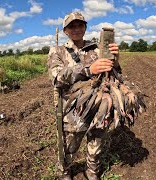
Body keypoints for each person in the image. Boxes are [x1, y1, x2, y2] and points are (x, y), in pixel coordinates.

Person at [47, 12, 120, 180]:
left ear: (85, 27)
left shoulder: (97, 49)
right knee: (68, 148)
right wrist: (88, 69)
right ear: (65, 30)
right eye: (72, 26)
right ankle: (65, 173)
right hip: (71, 110)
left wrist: (115, 58)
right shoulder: (57, 51)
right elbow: (57, 78)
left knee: (96, 143)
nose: (76, 29)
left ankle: (92, 172)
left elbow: (113, 72)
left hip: (97, 106)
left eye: (80, 25)